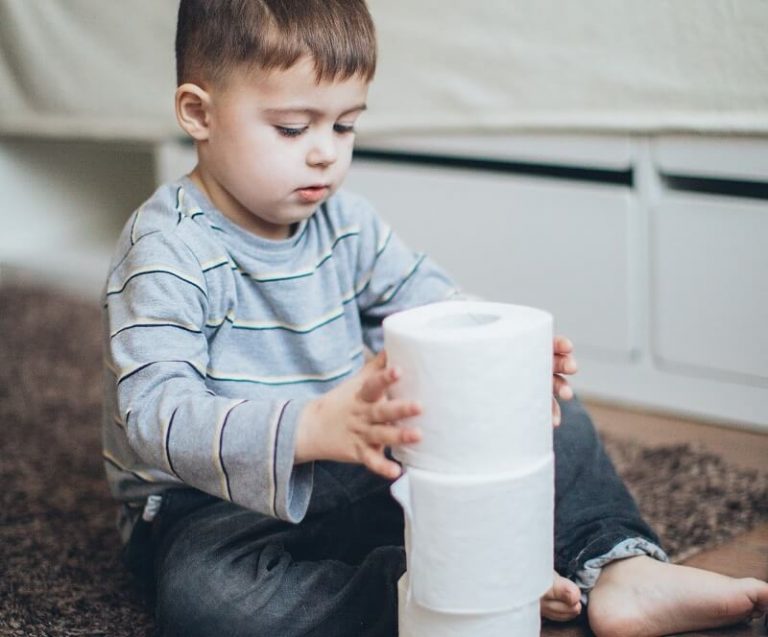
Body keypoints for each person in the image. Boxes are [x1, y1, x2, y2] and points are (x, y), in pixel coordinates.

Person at [102, 1, 768, 635]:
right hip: (218, 507)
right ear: (199, 113)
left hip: (363, 464)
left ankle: (620, 563)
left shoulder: (345, 222)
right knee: (207, 603)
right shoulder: (168, 249)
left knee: (539, 406)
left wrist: (498, 361)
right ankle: (454, 587)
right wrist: (309, 427)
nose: (325, 153)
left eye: (344, 125)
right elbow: (156, 412)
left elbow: (430, 299)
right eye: (292, 128)